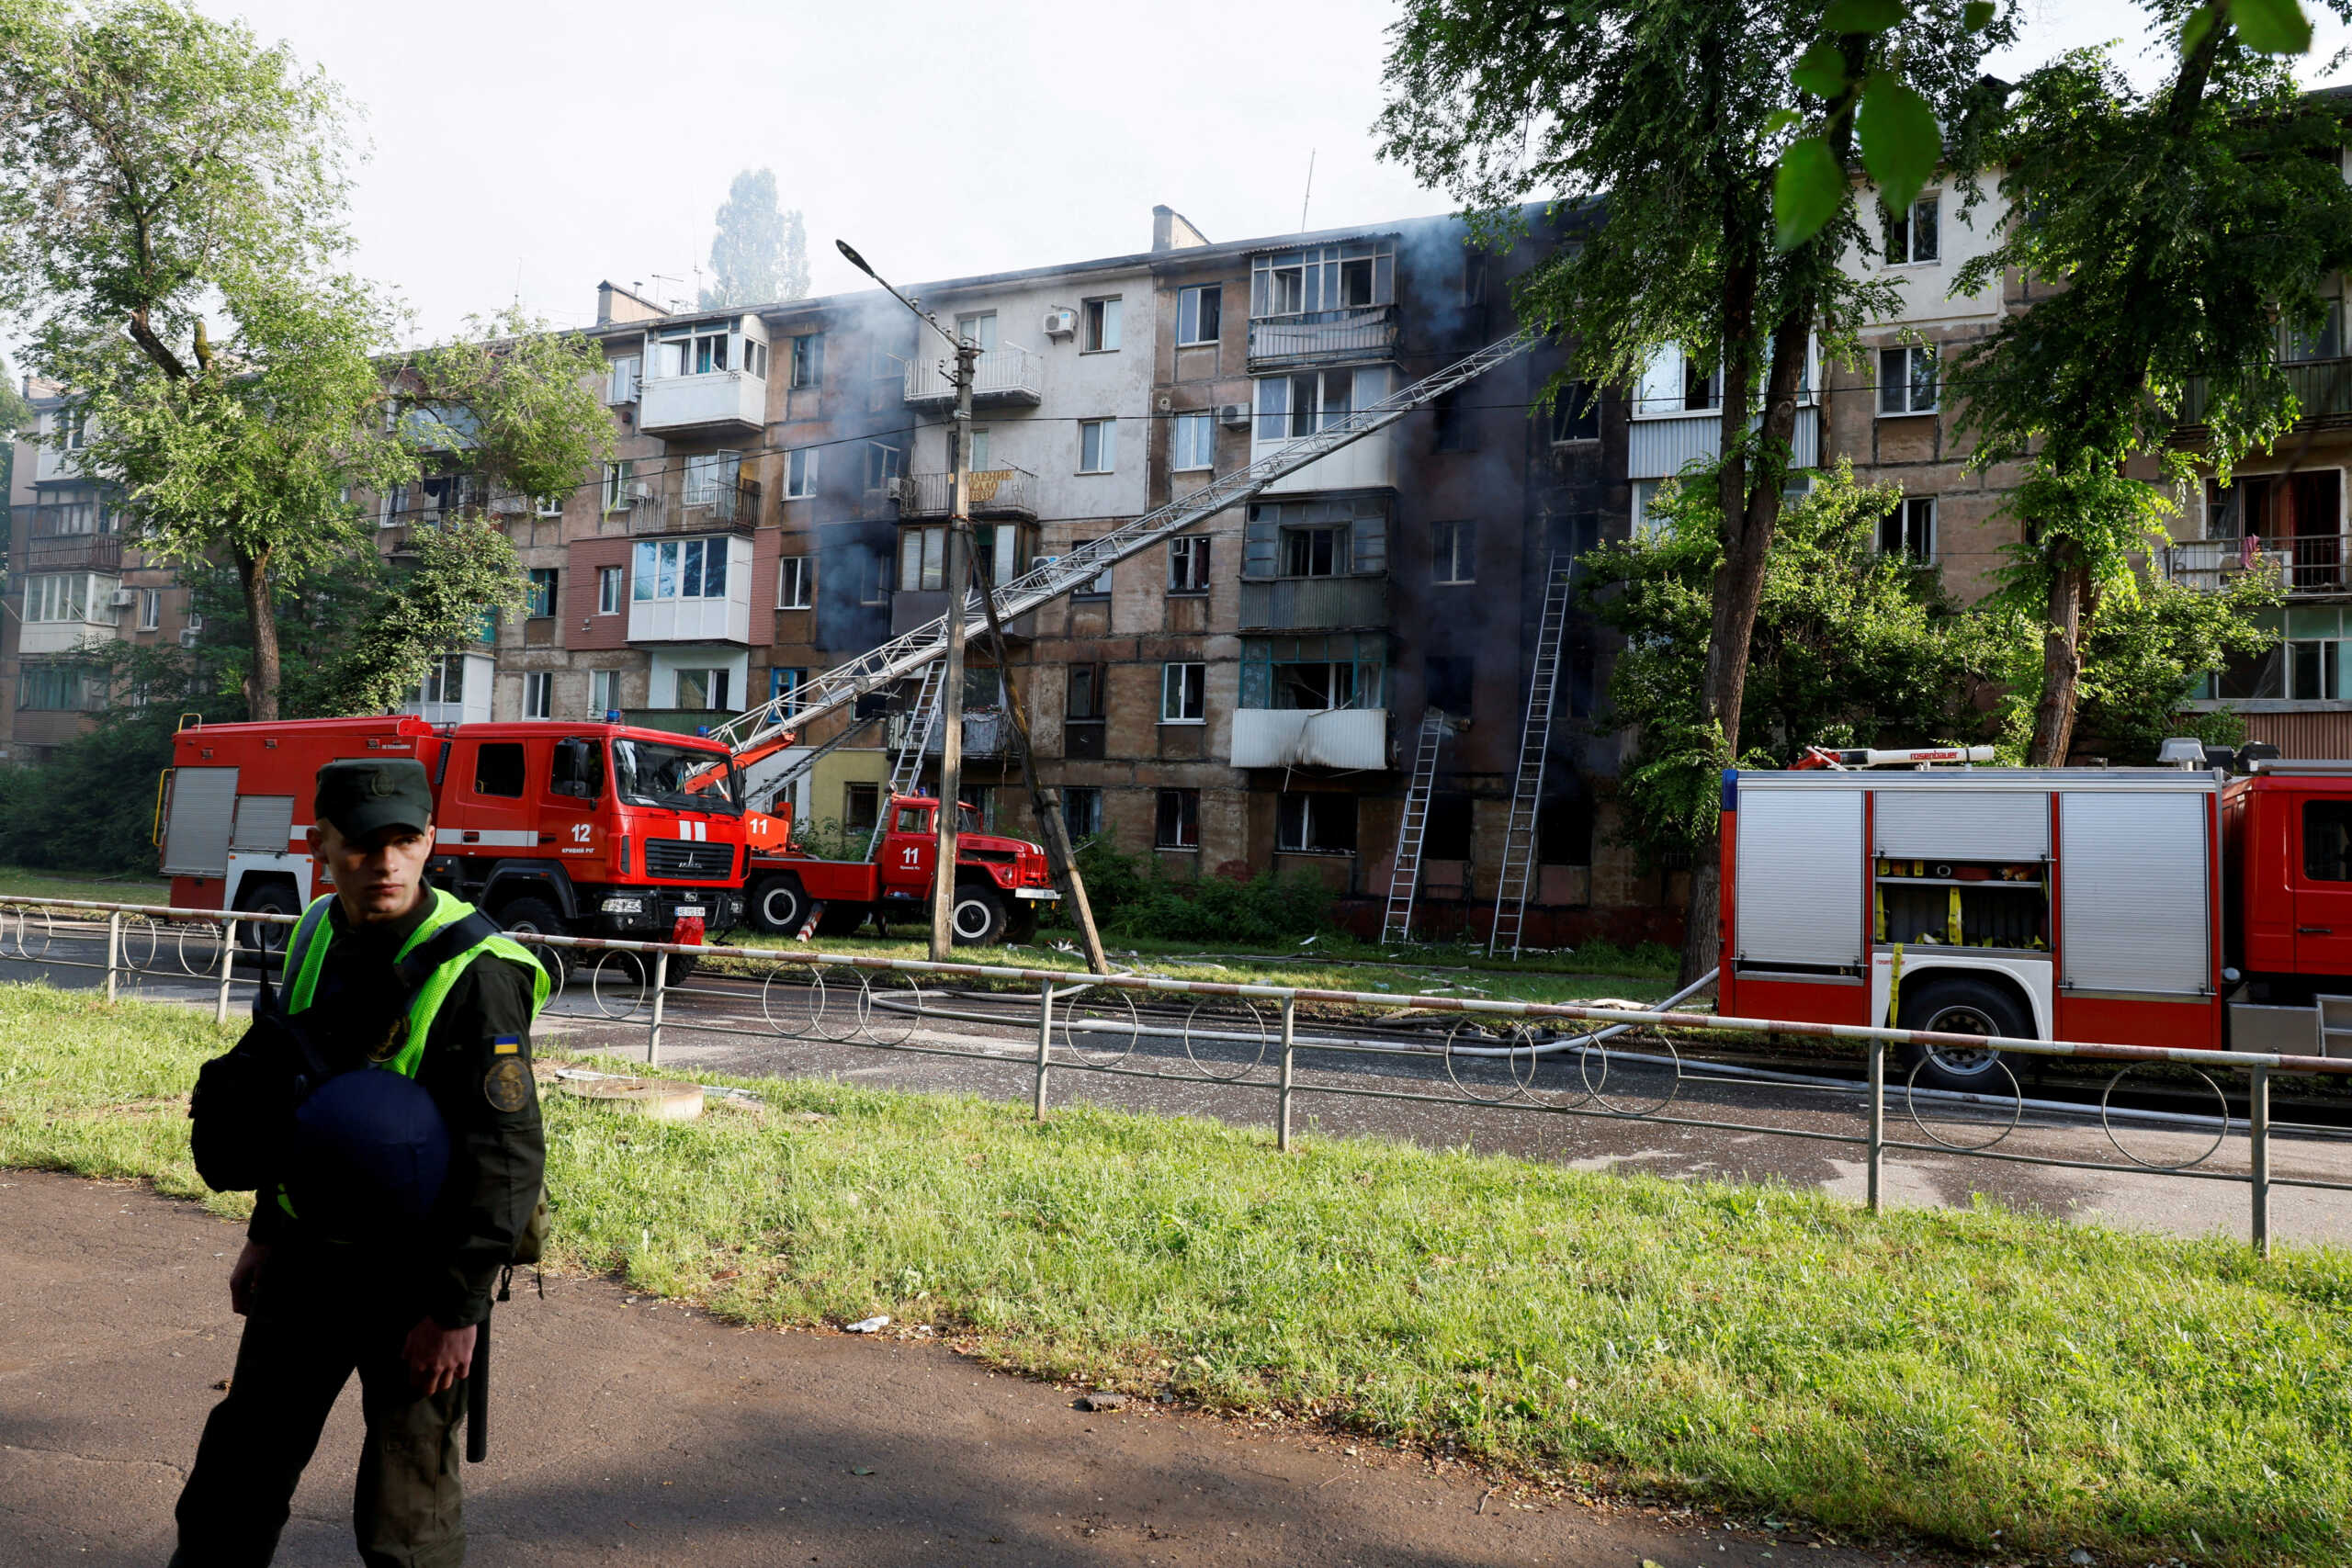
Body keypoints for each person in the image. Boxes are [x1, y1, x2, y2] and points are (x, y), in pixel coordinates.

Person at [171, 760, 548, 1568]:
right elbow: (296, 1101)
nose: (383, 864)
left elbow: (507, 1157)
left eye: (404, 842)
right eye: (361, 846)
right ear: (321, 845)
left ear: (431, 843)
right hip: (308, 1258)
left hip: (419, 1278)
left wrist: (457, 1312)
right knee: (237, 1475)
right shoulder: (312, 931)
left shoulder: (477, 972)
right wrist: (265, 1231)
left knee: (405, 1515)